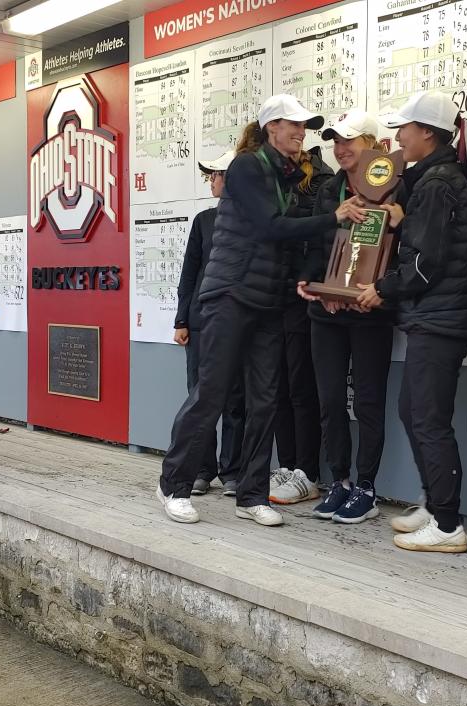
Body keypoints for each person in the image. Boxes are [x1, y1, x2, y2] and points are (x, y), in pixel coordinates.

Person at [157, 95, 366, 527]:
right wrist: (336, 217)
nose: (301, 133)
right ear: (272, 127)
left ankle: (251, 494)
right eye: (295, 125)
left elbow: (290, 241)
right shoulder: (248, 166)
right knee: (211, 394)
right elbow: (271, 227)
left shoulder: (290, 175)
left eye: (305, 126)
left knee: (265, 400)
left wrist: (309, 278)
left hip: (270, 302)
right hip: (229, 296)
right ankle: (174, 484)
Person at [357, 91, 467, 552]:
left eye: (405, 129)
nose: (398, 137)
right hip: (437, 316)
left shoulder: (436, 184)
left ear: (427, 134)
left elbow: (425, 264)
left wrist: (382, 289)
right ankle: (435, 503)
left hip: (441, 318)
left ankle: (449, 525)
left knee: (428, 419)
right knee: (413, 412)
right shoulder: (435, 180)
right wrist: (401, 219)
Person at [296, 109, 395, 523]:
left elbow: (403, 252)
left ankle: (367, 486)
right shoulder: (330, 189)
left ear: (373, 144)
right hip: (328, 313)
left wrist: (381, 291)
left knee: (369, 401)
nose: (340, 149)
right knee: (331, 399)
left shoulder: (396, 188)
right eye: (335, 142)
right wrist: (312, 283)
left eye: (349, 141)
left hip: (371, 311)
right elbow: (317, 247)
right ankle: (340, 480)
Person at [173, 149, 245, 497]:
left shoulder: (250, 220)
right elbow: (189, 274)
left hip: (235, 322)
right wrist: (181, 319)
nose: (211, 182)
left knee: (234, 398)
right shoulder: (203, 220)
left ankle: (232, 471)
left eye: (214, 175)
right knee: (200, 398)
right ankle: (203, 469)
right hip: (200, 323)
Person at [268, 144, 334, 505]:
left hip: (302, 297)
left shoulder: (322, 182)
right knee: (277, 387)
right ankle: (287, 464)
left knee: (300, 387)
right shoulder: (273, 182)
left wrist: (304, 277)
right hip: (274, 295)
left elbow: (318, 243)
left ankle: (306, 472)